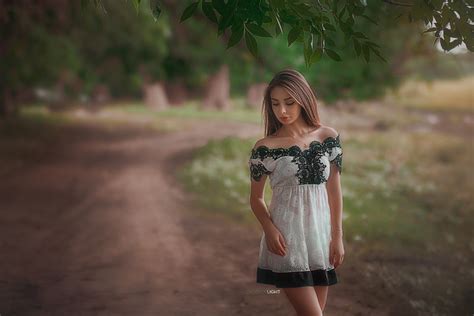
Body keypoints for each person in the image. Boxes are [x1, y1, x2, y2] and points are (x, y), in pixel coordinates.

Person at [248, 69, 345, 315]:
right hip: (287, 238)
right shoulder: (265, 148)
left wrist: (337, 237)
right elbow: (256, 198)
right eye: (275, 104)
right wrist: (269, 229)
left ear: (303, 99)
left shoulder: (328, 137)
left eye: (289, 102)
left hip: (319, 238)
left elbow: (334, 192)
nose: (282, 110)